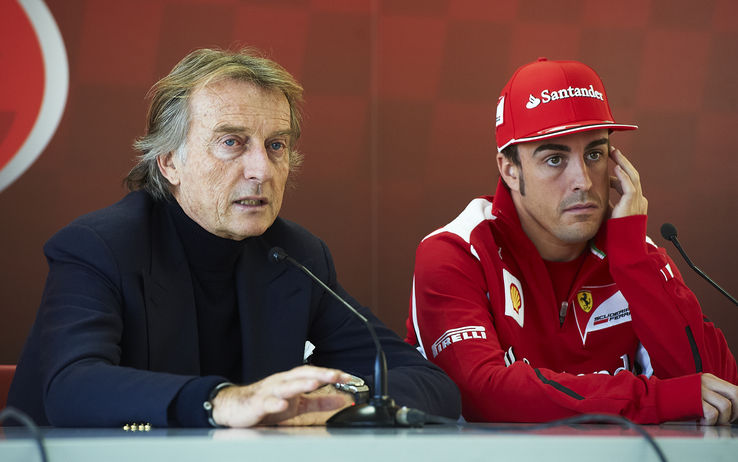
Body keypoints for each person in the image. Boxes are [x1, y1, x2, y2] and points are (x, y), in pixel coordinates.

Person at [8, 47, 460, 428]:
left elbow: (426, 381)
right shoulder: (100, 248)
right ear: (170, 162)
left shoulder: (295, 256)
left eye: (276, 145)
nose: (261, 169)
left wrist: (341, 404)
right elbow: (71, 386)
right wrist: (223, 401)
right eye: (232, 143)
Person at [405, 58, 738, 425]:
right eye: (555, 159)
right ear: (510, 170)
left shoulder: (633, 254)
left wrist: (631, 260)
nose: (583, 180)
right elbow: (482, 393)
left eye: (594, 154)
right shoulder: (457, 252)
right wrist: (656, 399)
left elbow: (717, 391)